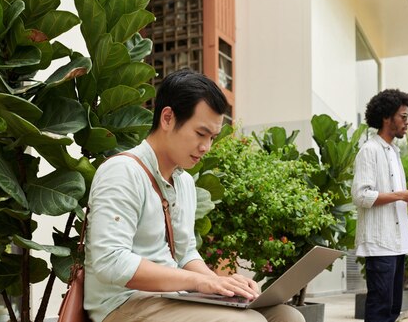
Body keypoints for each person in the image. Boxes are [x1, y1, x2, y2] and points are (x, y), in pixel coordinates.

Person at [84, 69, 304, 322]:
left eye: (212, 137)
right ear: (167, 118)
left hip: (172, 298)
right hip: (123, 304)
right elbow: (110, 262)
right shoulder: (122, 171)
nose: (206, 147)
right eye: (200, 134)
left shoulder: (184, 182)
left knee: (287, 316)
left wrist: (221, 284)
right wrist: (197, 282)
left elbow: (186, 253)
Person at [351, 89, 408, 322]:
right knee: (380, 307)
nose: (407, 122)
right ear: (386, 118)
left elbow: (392, 196)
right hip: (379, 243)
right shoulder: (369, 150)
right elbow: (361, 196)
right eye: (403, 116)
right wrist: (402, 195)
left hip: (397, 242)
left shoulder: (394, 152)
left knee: (393, 308)